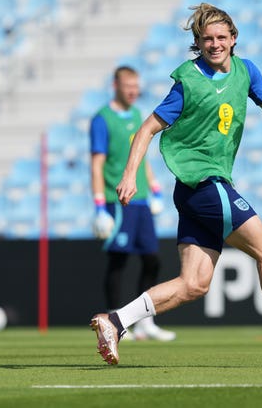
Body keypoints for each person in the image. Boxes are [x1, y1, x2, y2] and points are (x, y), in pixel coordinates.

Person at [90, 4, 262, 365]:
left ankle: (115, 321)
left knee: (194, 284)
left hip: (201, 189)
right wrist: (130, 174)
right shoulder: (189, 81)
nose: (215, 44)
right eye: (207, 39)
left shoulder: (246, 71)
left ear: (233, 39)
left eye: (221, 37)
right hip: (203, 182)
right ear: (198, 42)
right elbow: (146, 128)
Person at [89, 65, 176, 342]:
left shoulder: (139, 114)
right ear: (116, 86)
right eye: (129, 86)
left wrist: (155, 188)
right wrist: (100, 205)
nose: (134, 91)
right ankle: (114, 321)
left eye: (136, 87)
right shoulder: (102, 119)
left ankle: (145, 323)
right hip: (118, 200)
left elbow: (141, 156)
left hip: (140, 200)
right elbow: (97, 163)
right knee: (119, 260)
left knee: (152, 260)